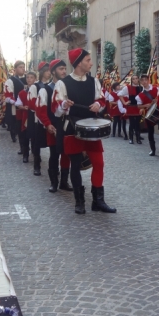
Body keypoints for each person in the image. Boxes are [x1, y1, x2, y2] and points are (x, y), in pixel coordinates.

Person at [54, 49, 116, 214]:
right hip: (72, 128)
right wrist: (64, 106)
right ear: (79, 62)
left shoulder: (94, 81)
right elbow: (56, 110)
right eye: (88, 60)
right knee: (75, 165)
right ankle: (79, 201)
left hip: (92, 128)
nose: (91, 63)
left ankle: (98, 201)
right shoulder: (63, 83)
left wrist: (98, 105)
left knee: (99, 163)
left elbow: (101, 99)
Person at [35, 59, 73, 193]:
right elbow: (40, 110)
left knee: (66, 154)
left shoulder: (69, 87)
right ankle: (54, 182)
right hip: (53, 126)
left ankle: (64, 181)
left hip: (67, 125)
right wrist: (48, 124)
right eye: (60, 69)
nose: (64, 71)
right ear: (53, 72)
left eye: (64, 68)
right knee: (54, 154)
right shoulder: (45, 89)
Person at [28, 62, 50, 177]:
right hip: (38, 118)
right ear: (42, 72)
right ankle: (37, 165)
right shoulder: (35, 86)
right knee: (37, 143)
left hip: (50, 118)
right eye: (47, 70)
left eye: (49, 70)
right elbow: (32, 104)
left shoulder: (52, 85)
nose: (49, 73)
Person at [14, 71, 36, 163]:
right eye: (27, 77)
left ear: (35, 79)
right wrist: (23, 107)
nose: (29, 79)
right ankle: (25, 154)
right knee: (25, 136)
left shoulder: (39, 91)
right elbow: (18, 104)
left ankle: (36, 154)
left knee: (35, 137)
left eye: (31, 77)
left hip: (35, 117)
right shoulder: (22, 93)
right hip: (26, 117)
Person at [4, 61, 26, 145]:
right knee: (16, 124)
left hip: (26, 106)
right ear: (15, 69)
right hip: (15, 107)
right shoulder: (10, 80)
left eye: (23, 67)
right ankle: (15, 137)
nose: (23, 69)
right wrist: (17, 103)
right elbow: (8, 95)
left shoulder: (27, 79)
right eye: (20, 67)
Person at [136, 74, 158, 157]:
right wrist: (145, 106)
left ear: (149, 80)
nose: (144, 81)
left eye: (146, 80)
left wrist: (157, 100)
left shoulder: (156, 89)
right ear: (141, 82)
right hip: (149, 114)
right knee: (150, 132)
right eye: (142, 80)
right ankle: (153, 149)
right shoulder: (140, 95)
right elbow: (139, 106)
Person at [118, 76, 143, 145]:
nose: (135, 80)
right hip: (131, 107)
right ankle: (131, 139)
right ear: (131, 80)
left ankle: (138, 139)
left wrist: (142, 108)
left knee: (138, 124)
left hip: (138, 107)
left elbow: (143, 99)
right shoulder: (128, 87)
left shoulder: (141, 88)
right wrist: (124, 103)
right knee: (131, 124)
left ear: (138, 79)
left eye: (136, 78)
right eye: (133, 79)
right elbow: (120, 94)